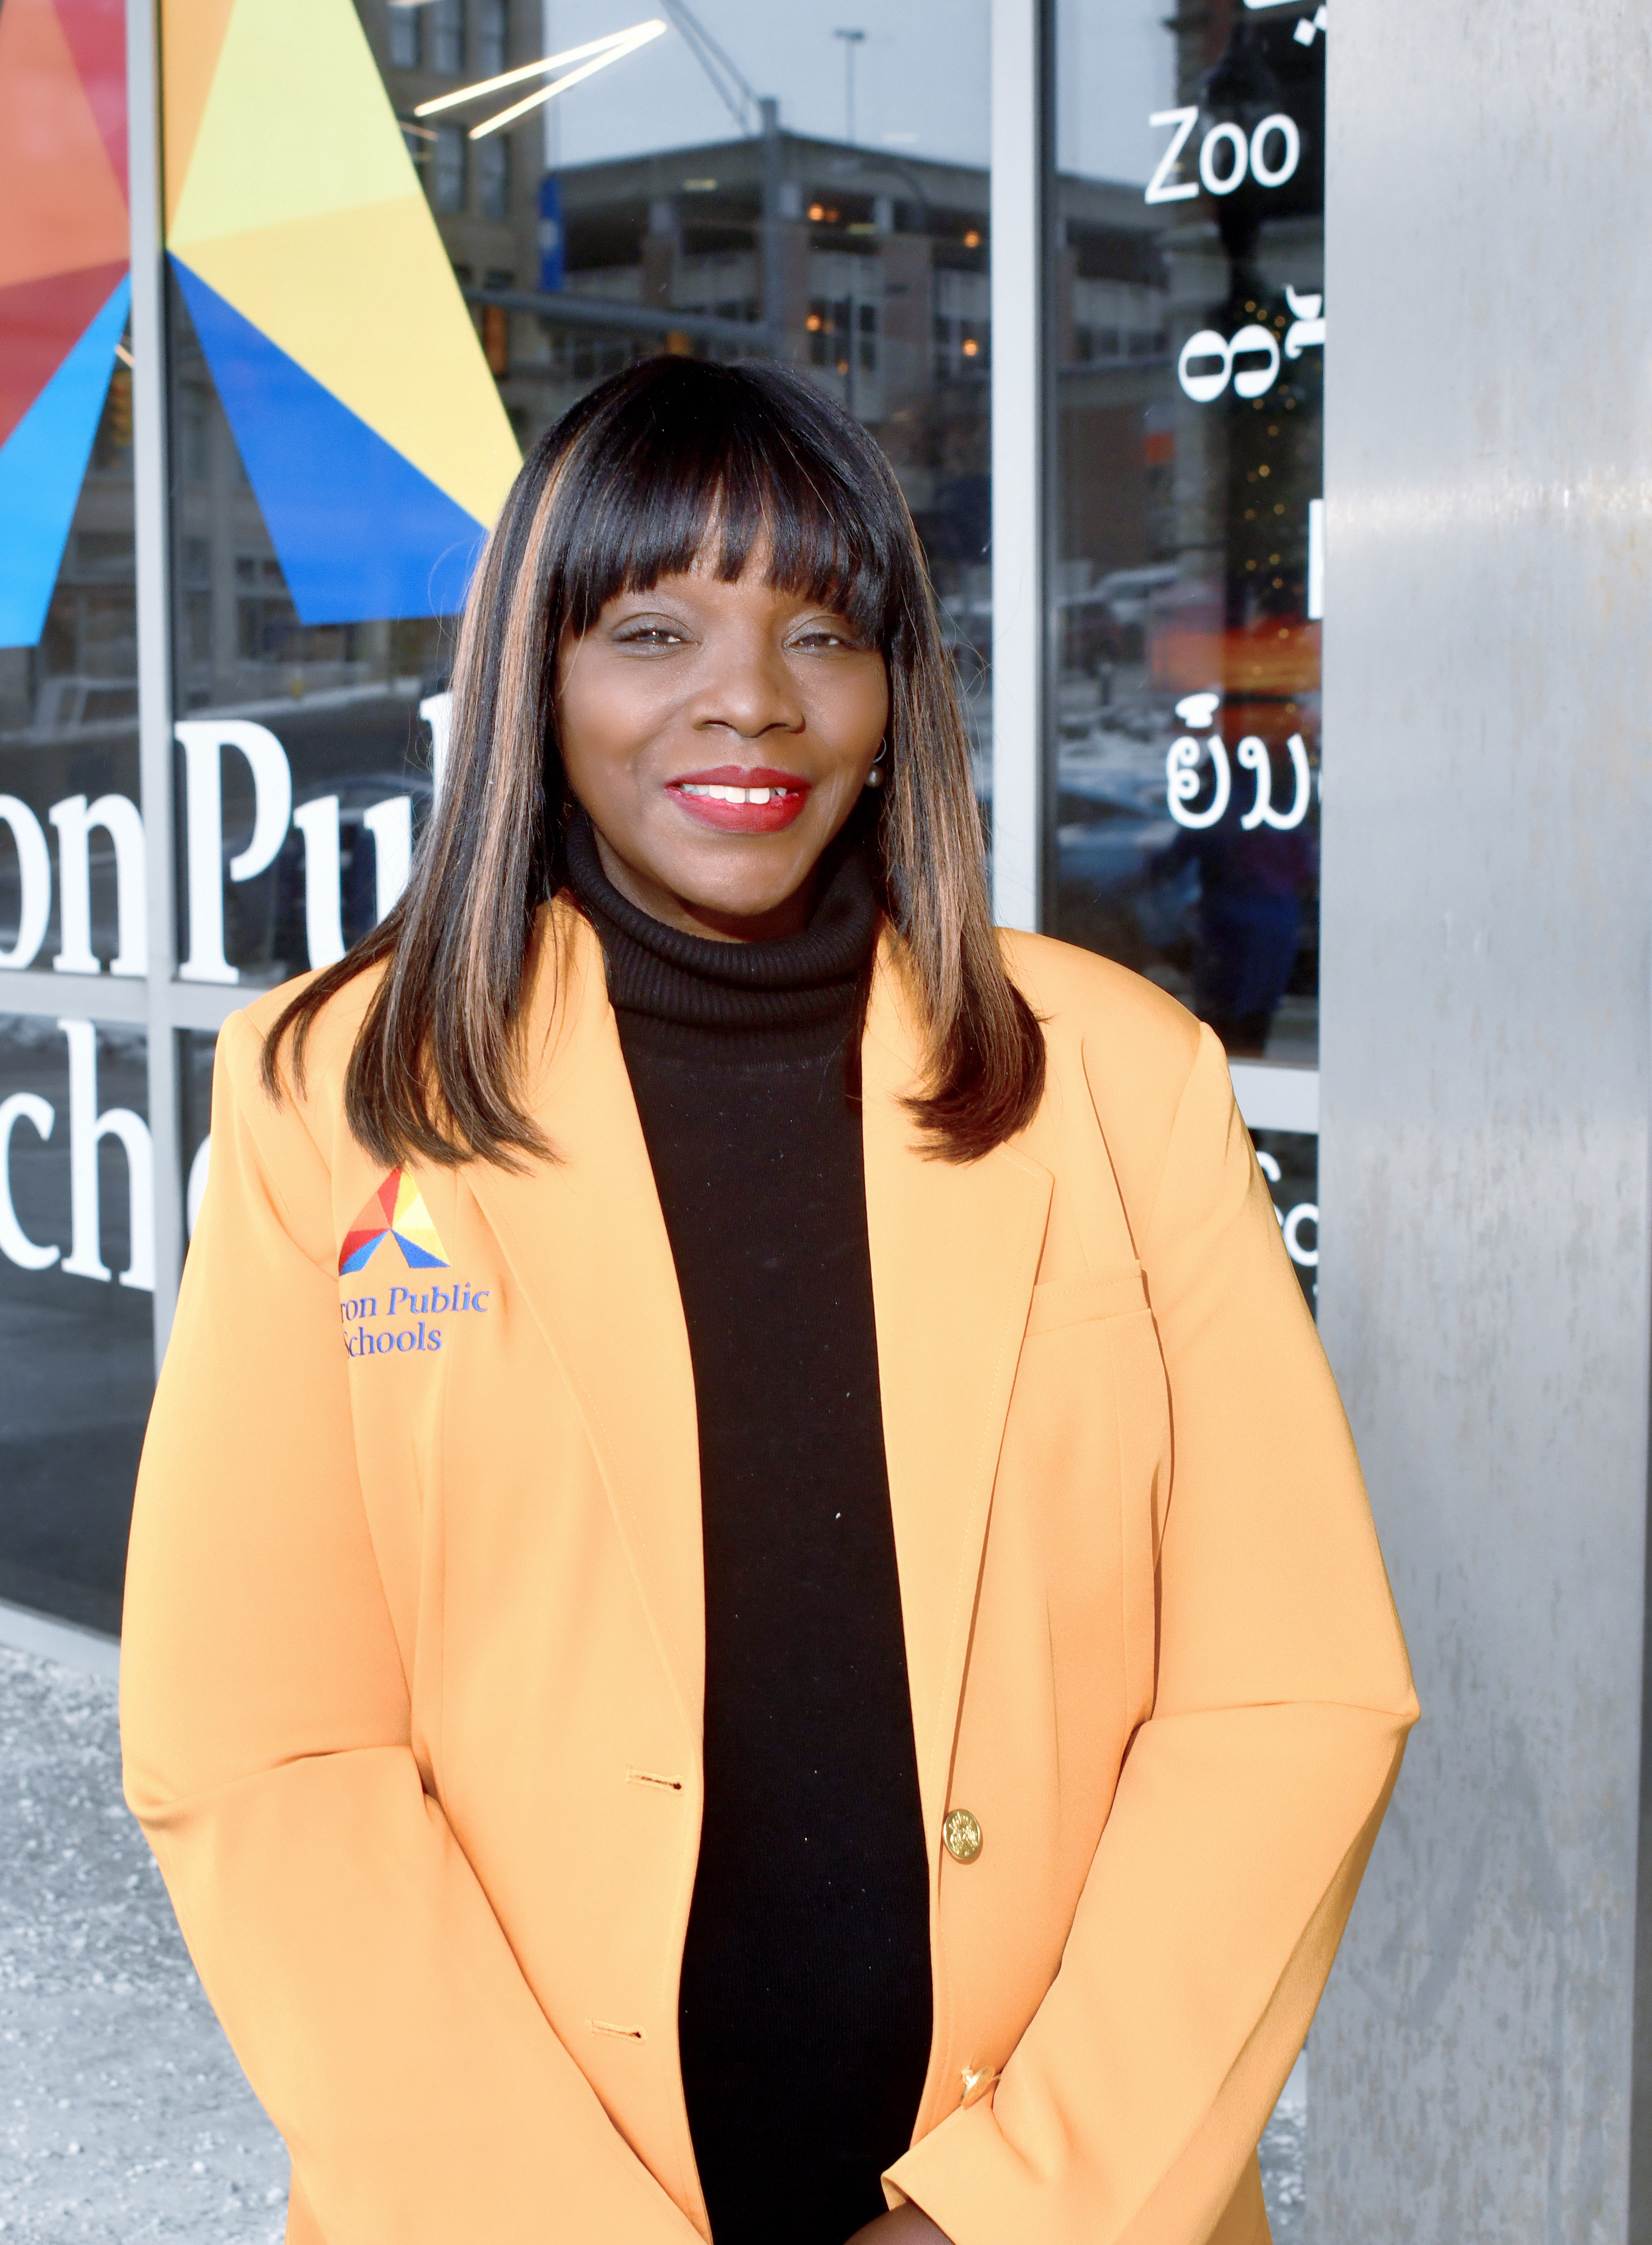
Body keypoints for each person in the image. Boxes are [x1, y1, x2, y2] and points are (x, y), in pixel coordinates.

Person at [120, 356, 1416, 2245]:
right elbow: (266, 1740)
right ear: (532, 685)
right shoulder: (336, 1092)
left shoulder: (1120, 1077)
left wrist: (1009, 2211)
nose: (751, 695)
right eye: (652, 626)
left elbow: (1286, 1689)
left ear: (897, 697)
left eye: (823, 629)